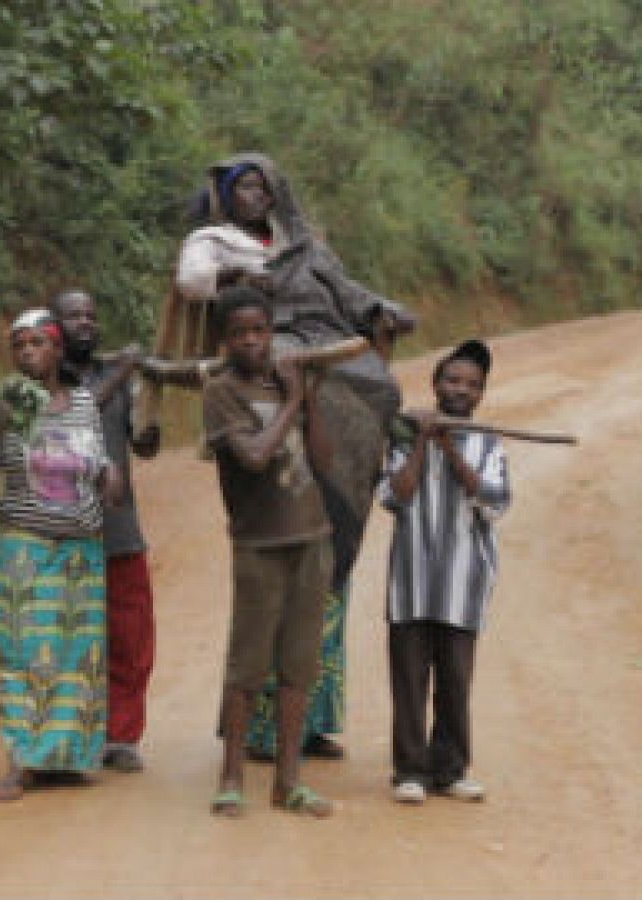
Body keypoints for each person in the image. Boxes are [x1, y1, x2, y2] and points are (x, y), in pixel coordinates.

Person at [175, 153, 417, 762]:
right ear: (228, 198)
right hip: (277, 349)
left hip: (333, 348)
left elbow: (351, 293)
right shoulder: (215, 242)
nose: (256, 197)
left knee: (381, 389)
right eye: (244, 188)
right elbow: (194, 282)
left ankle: (312, 721)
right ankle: (256, 734)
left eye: (263, 187)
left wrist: (381, 311)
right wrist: (242, 278)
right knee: (288, 391)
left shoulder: (307, 248)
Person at [0, 308, 121, 802]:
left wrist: (109, 476)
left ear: (57, 350)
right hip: (24, 548)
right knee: (22, 652)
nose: (29, 352)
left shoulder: (81, 403)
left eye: (38, 343)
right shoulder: (5, 406)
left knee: (79, 655)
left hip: (81, 548)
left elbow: (97, 462)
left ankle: (68, 757)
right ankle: (23, 760)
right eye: (20, 345)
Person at [202, 285, 334, 818]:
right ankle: (232, 778)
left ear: (273, 332)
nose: (253, 341)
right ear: (225, 340)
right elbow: (255, 456)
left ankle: (289, 782)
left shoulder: (288, 385)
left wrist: (310, 398)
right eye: (241, 333)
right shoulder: (221, 392)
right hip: (260, 542)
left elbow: (323, 460)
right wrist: (295, 400)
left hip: (312, 537)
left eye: (260, 331)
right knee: (248, 667)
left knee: (299, 665)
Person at [378, 339, 510, 805]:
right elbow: (396, 496)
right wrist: (420, 443)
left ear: (481, 395)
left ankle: (451, 769)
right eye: (452, 380)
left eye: (471, 385)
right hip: (411, 582)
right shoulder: (403, 435)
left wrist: (452, 451)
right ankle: (410, 771)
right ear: (435, 385)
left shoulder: (487, 442)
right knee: (409, 680)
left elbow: (493, 503)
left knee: (455, 680)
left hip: (464, 584)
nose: (460, 390)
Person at [49, 289, 161, 773]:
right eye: (73, 316)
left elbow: (145, 446)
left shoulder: (119, 381)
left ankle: (121, 735)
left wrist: (150, 414)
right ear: (53, 328)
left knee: (130, 637)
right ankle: (69, 733)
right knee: (68, 639)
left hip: (118, 530)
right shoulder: (43, 383)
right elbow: (77, 414)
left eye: (91, 316)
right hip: (61, 531)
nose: (85, 323)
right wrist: (125, 373)